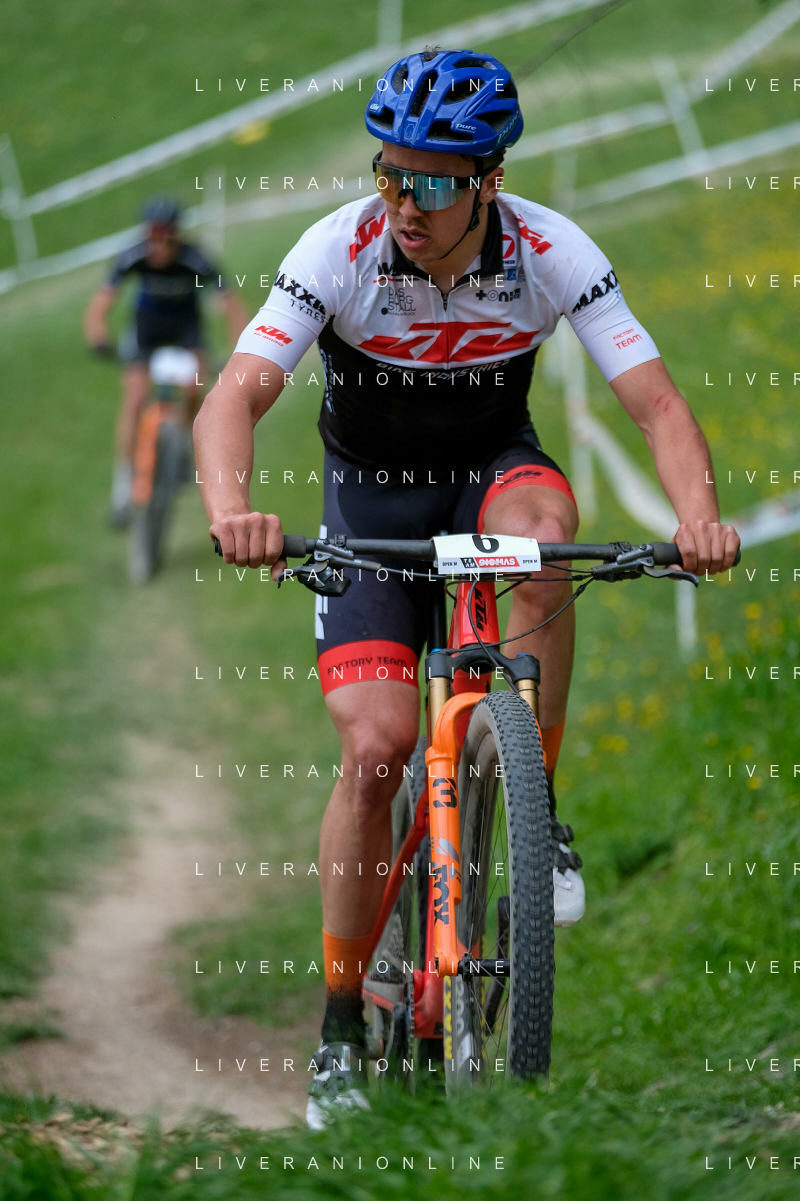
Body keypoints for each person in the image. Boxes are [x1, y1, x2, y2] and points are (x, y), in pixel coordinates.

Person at [192, 48, 740, 1125]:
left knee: (543, 538)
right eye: (389, 174)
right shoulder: (340, 248)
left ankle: (537, 807)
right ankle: (340, 1026)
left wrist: (697, 521)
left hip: (494, 472)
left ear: (489, 181)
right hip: (372, 502)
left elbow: (658, 404)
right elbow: (233, 398)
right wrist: (231, 510)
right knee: (375, 750)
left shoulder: (549, 249)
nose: (404, 202)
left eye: (433, 183)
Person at [84, 196, 248, 526]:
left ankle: (183, 444)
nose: (158, 244)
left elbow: (229, 302)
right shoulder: (133, 255)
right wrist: (97, 333)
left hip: (186, 327)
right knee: (134, 398)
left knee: (195, 386)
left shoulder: (195, 258)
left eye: (165, 236)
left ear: (176, 234)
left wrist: (239, 348)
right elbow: (103, 300)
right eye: (152, 235)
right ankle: (123, 486)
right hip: (147, 328)